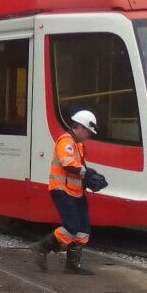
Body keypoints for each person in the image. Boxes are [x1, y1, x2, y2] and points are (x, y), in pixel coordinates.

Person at [31, 110, 100, 275]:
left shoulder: (79, 145)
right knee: (71, 226)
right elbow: (68, 163)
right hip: (61, 190)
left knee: (83, 229)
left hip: (76, 191)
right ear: (80, 127)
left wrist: (89, 178)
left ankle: (72, 265)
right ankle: (42, 247)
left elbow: (77, 167)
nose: (89, 135)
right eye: (88, 132)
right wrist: (88, 173)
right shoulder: (66, 141)